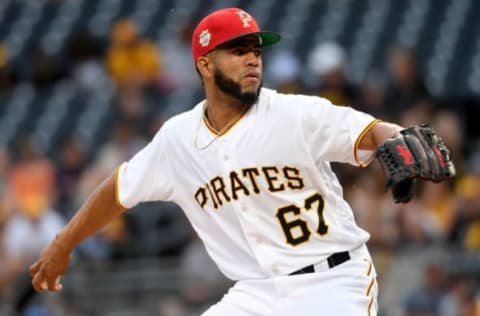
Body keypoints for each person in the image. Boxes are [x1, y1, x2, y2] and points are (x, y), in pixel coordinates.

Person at [30, 7, 452, 315]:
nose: (253, 58)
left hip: (332, 282)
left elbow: (374, 131)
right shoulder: (178, 139)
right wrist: (63, 243)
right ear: (205, 65)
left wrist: (395, 140)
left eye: (256, 50)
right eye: (238, 50)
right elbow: (119, 189)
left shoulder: (296, 113)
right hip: (255, 293)